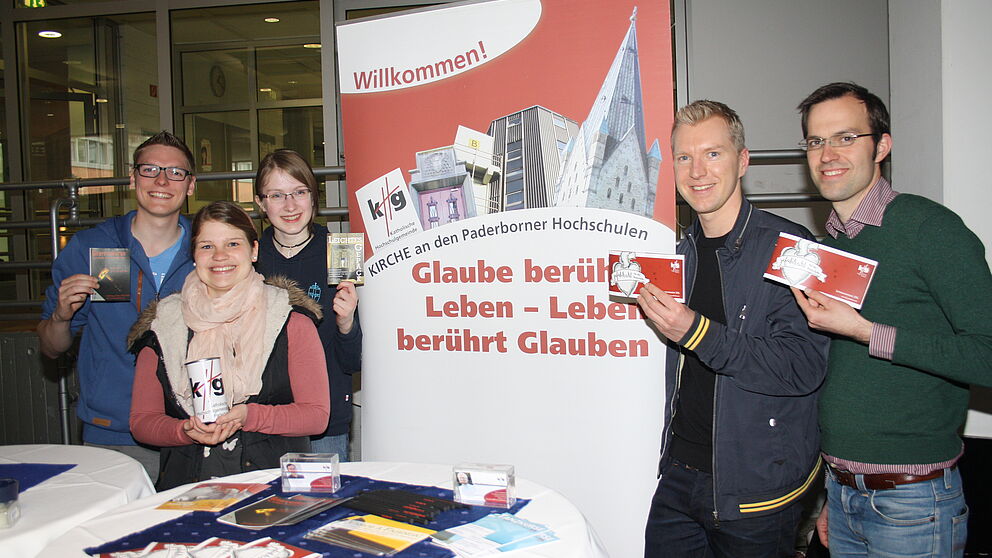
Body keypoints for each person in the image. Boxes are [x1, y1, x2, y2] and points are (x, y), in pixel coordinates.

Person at [793, 82, 992, 557]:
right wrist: (831, 496)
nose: (828, 154)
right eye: (816, 142)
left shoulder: (930, 228)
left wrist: (862, 330)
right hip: (843, 495)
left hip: (912, 501)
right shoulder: (832, 244)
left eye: (845, 137)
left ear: (881, 145)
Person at [638, 100, 828, 558]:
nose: (697, 171)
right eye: (684, 157)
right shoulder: (679, 253)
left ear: (742, 161)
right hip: (680, 475)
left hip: (757, 491)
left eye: (713, 154)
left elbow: (802, 367)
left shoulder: (794, 248)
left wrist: (697, 332)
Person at [127, 201, 330, 490]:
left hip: (274, 489)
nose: (220, 256)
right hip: (187, 488)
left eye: (233, 243)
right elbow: (142, 421)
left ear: (254, 250)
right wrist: (184, 430)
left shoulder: (289, 319)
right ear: (194, 256)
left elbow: (316, 416)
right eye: (207, 246)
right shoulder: (164, 324)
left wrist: (250, 415)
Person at [37, 131, 197, 480]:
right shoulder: (93, 247)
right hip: (115, 434)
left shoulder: (210, 249)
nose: (162, 180)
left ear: (191, 185)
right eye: (150, 169)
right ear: (132, 177)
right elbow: (51, 347)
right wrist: (62, 316)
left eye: (175, 172)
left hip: (195, 431)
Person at [253, 150, 362, 461]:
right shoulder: (248, 258)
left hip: (323, 423)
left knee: (320, 508)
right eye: (277, 195)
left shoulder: (341, 252)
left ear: (314, 197)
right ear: (261, 203)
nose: (290, 205)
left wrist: (346, 324)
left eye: (300, 192)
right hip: (260, 417)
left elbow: (354, 363)